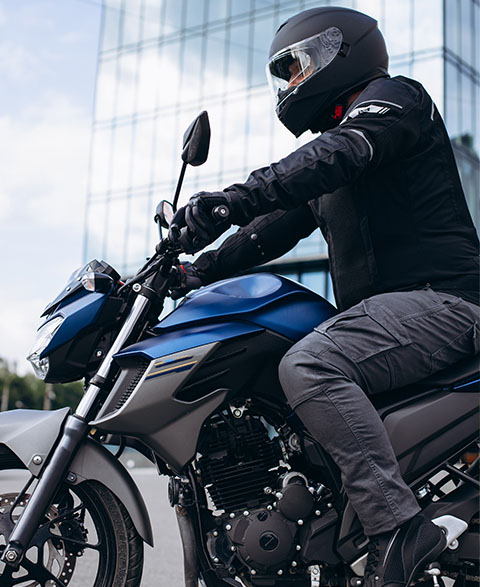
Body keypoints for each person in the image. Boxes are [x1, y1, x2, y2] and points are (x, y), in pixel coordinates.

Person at [169, 6, 480, 586]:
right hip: (388, 317)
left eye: (295, 69)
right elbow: (264, 232)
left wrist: (233, 196)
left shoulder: (392, 104)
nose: (289, 84)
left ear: (340, 53)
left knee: (309, 363)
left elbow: (336, 153)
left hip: (445, 303)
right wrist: (193, 269)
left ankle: (398, 528)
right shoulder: (331, 165)